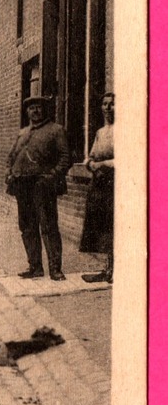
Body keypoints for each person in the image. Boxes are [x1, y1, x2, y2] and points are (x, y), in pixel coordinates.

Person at [6, 94, 71, 281]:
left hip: (43, 186)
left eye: (39, 107)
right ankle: (35, 267)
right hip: (22, 185)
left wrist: (51, 176)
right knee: (27, 227)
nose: (35, 111)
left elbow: (65, 158)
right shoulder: (23, 133)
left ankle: (55, 269)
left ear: (44, 110)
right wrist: (9, 172)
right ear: (27, 112)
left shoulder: (56, 130)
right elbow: (11, 157)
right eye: (31, 108)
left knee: (49, 227)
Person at [80, 92, 115, 284]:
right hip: (99, 182)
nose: (108, 108)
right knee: (100, 225)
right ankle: (106, 268)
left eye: (112, 104)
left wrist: (103, 165)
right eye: (105, 104)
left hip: (115, 182)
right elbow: (91, 155)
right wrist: (90, 164)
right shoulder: (101, 132)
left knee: (114, 224)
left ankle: (115, 269)